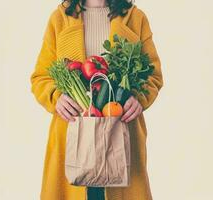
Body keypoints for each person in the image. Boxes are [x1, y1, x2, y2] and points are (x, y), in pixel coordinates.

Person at [29, 0, 164, 199]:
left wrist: (138, 98)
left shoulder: (135, 18)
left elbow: (153, 75)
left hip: (120, 130)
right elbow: (41, 77)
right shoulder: (60, 18)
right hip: (73, 132)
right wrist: (56, 97)